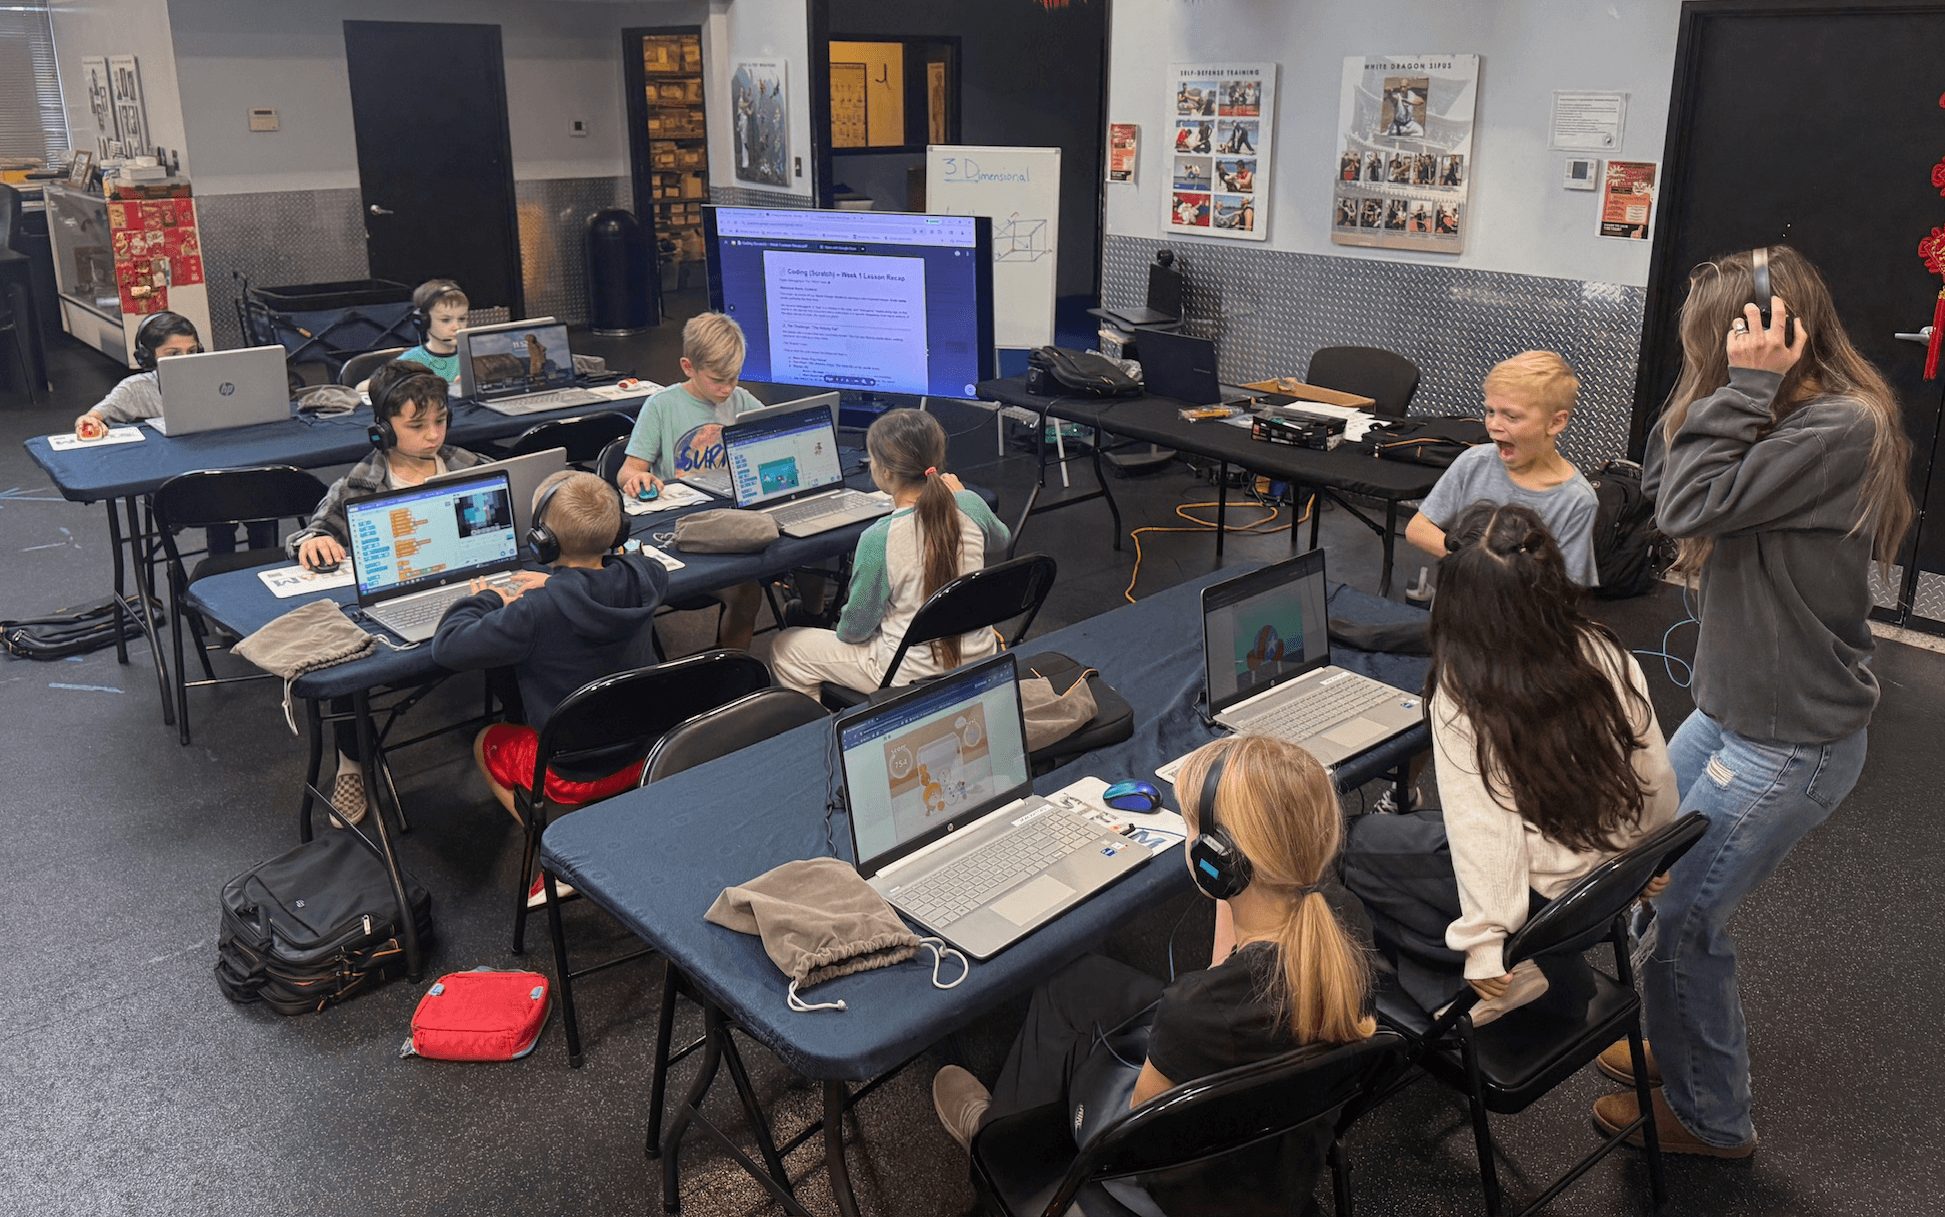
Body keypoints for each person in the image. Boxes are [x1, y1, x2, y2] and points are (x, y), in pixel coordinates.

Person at [1593, 246, 1914, 1157]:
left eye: (1716, 341)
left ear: (1771, 337)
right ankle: (1683, 1045)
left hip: (1790, 740)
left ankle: (1711, 1118)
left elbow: (1689, 508)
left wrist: (1732, 390)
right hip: (1734, 714)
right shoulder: (1763, 415)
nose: (1705, 361)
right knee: (1644, 888)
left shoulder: (1836, 427)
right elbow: (1663, 485)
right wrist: (1721, 387)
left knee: (1685, 919)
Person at [931, 735, 1375, 1208]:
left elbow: (1140, 1136)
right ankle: (1006, 1122)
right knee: (1074, 982)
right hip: (1276, 1161)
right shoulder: (1346, 923)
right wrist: (1232, 892)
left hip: (1170, 1183)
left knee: (1089, 1053)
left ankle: (997, 1151)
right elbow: (1224, 977)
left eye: (1189, 829)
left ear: (1216, 861)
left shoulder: (1198, 1009)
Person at [1343, 503, 1679, 1023]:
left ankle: (1464, 988)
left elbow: (1486, 828)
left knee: (1349, 844)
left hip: (1537, 914)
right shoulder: (1605, 650)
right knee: (1424, 836)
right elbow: (1653, 771)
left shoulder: (1464, 692)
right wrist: (1649, 854)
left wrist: (1484, 942)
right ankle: (1499, 971)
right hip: (1604, 895)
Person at [432, 470, 667, 906]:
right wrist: (566, 584)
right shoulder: (646, 579)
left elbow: (447, 647)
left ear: (543, 543)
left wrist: (487, 599)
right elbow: (638, 563)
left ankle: (566, 853)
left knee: (487, 740)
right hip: (650, 753)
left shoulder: (533, 613)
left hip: (572, 775)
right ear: (619, 531)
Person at [286, 360, 489, 824]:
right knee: (347, 661)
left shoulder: (467, 466)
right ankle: (352, 763)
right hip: (395, 600)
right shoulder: (358, 484)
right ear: (382, 432)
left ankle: (521, 736)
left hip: (466, 590)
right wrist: (313, 540)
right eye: (417, 426)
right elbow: (310, 533)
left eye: (440, 422)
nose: (433, 435)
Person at [768, 409, 1009, 699]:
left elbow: (853, 631)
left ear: (885, 472)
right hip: (980, 656)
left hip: (908, 673)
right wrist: (962, 495)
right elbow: (1001, 540)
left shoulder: (879, 538)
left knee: (786, 646)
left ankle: (829, 733)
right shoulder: (969, 504)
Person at [614, 311, 768, 647]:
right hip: (681, 531)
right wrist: (638, 480)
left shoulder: (741, 401)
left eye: (735, 377)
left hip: (731, 522)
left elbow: (770, 441)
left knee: (794, 553)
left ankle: (807, 617)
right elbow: (628, 470)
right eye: (717, 380)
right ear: (688, 367)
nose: (728, 389)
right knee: (746, 588)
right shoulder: (662, 406)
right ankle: (731, 672)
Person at [73, 313, 276, 556]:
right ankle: (218, 579)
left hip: (226, 473)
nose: (185, 360)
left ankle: (263, 568)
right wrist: (89, 421)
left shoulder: (219, 380)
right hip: (179, 487)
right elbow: (92, 417)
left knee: (264, 495)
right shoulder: (136, 389)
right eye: (173, 354)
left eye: (191, 351)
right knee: (227, 505)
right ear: (148, 357)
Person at [1405, 350, 1601, 587]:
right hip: (1456, 611)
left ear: (1555, 422)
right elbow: (1417, 529)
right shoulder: (1473, 462)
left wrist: (1499, 574)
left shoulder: (1576, 500)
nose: (1493, 425)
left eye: (1511, 417)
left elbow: (1569, 584)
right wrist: (1475, 563)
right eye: (1490, 411)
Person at [398, 278, 469, 384]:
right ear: (424, 321)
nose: (457, 327)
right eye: (445, 320)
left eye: (462, 319)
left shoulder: (473, 356)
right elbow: (368, 386)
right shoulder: (411, 361)